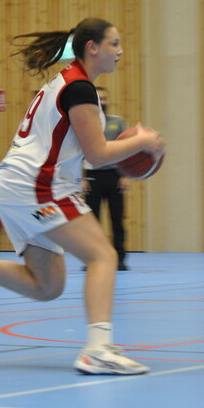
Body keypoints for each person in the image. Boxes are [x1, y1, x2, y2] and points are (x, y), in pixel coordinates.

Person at [0, 17, 164, 375]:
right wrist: (143, 142)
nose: (120, 51)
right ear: (92, 47)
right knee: (103, 255)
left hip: (19, 185)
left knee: (47, 286)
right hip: (36, 186)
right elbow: (98, 154)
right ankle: (98, 350)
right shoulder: (79, 88)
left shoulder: (70, 81)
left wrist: (131, 145)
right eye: (114, 43)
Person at [82, 87, 129, 271]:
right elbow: (77, 151)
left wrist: (124, 175)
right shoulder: (84, 123)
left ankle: (119, 259)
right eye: (98, 98)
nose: (102, 102)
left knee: (117, 220)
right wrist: (81, 178)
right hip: (92, 176)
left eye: (104, 98)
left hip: (114, 176)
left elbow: (126, 149)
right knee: (92, 222)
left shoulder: (117, 122)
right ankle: (92, 259)